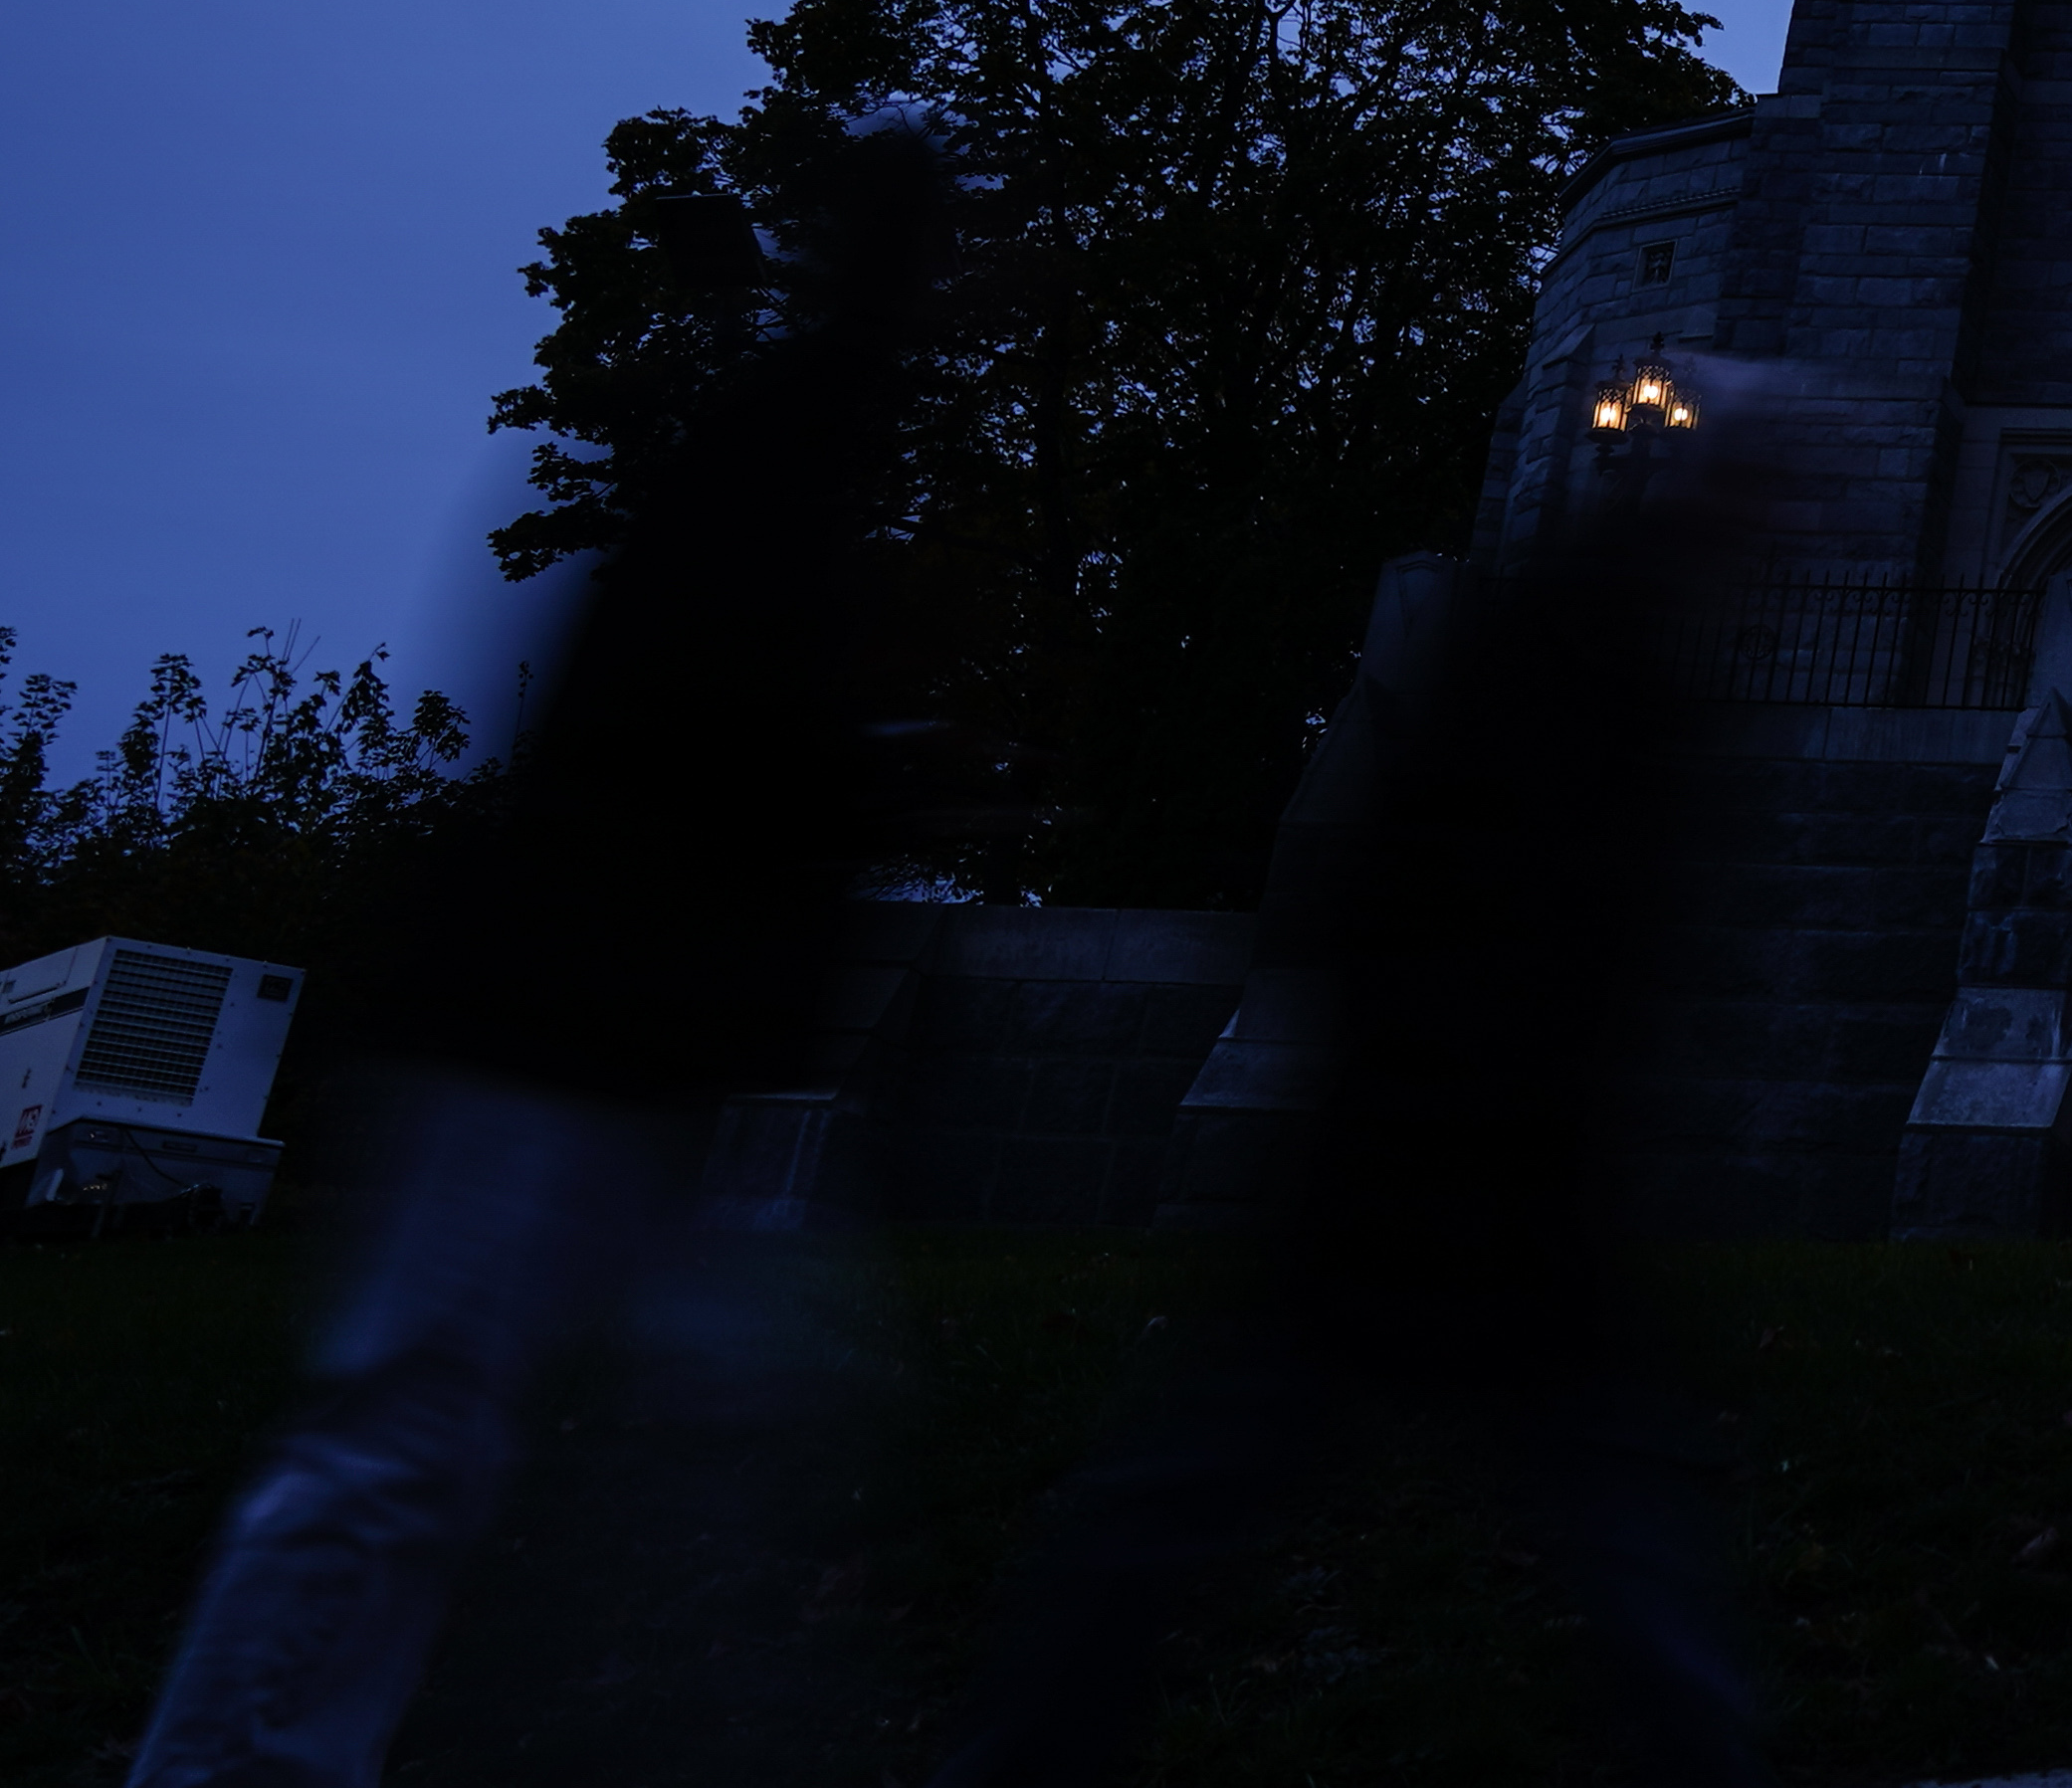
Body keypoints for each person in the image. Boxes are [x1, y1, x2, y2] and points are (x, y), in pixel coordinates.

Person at [125, 109, 968, 1788]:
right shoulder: (786, 447)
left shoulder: (802, 446)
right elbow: (695, 736)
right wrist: (865, 774)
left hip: (615, 1038)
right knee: (413, 1431)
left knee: (611, 1422)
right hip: (557, 1029)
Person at [922, 382, 1769, 1787]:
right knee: (1213, 1500)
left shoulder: (1613, 647)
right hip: (1438, 1181)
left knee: (1603, 1532)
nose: (1787, 528)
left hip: (1470, 1188)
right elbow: (1443, 909)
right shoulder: (1575, 642)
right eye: (1768, 492)